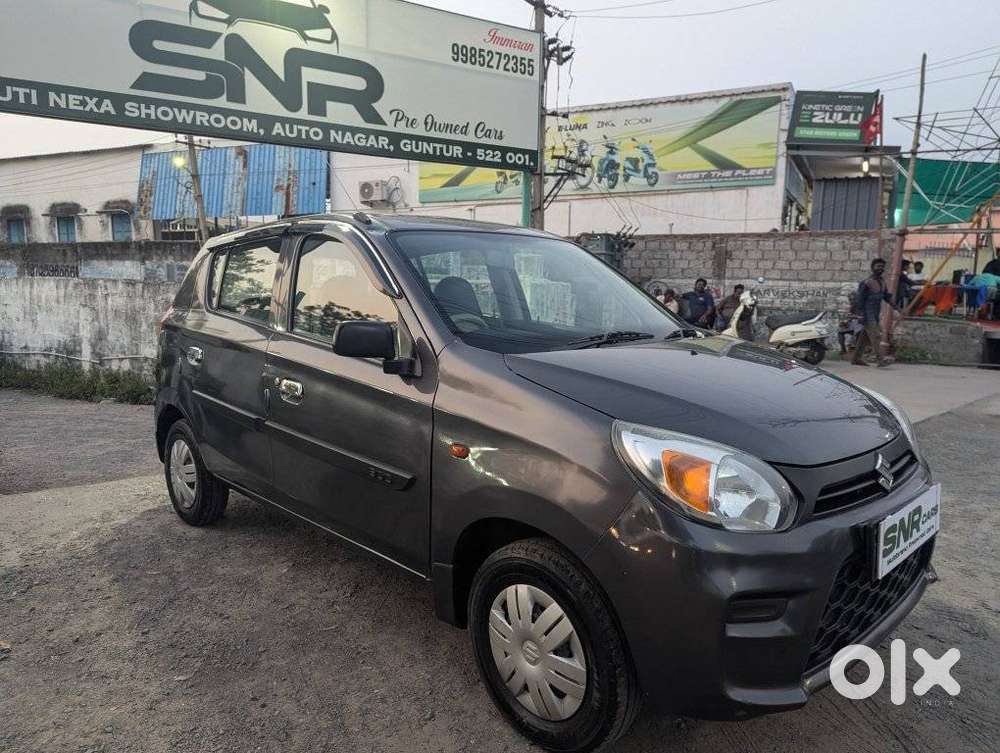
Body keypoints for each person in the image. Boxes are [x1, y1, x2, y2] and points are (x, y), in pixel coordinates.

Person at [852, 258, 898, 367]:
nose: (880, 269)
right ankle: (880, 359)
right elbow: (860, 300)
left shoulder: (882, 282)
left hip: (875, 313)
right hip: (867, 314)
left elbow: (886, 296)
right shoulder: (866, 282)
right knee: (876, 335)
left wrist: (897, 307)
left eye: (882, 267)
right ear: (873, 268)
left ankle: (856, 359)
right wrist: (860, 314)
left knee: (865, 337)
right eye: (878, 266)